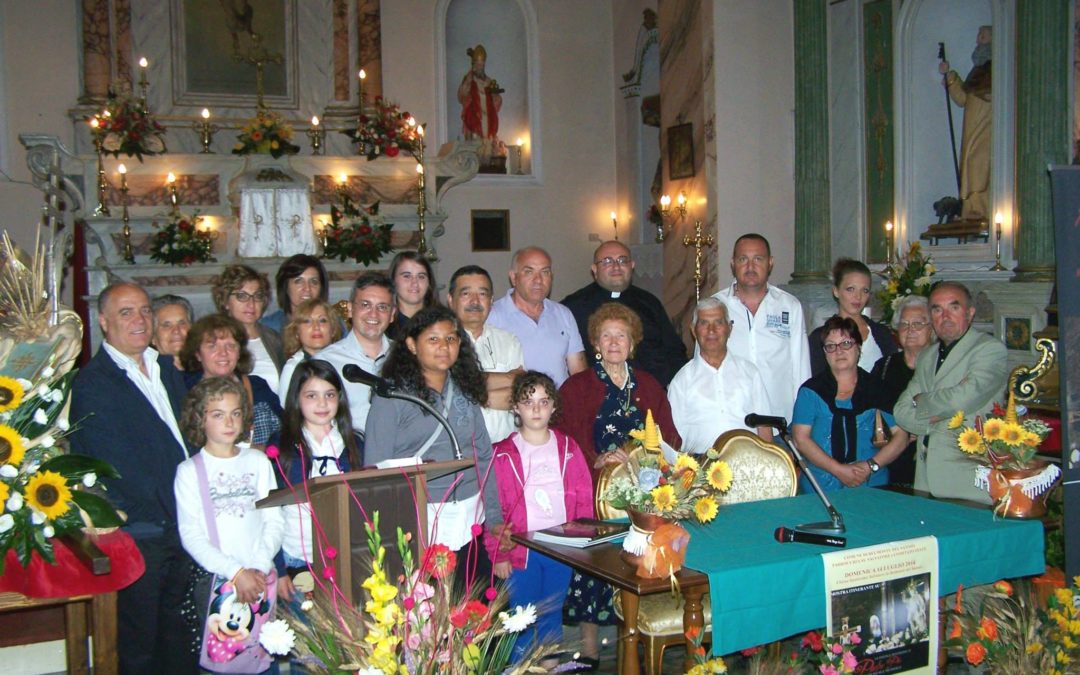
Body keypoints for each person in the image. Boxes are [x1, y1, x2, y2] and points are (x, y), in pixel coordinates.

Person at [69, 282, 194, 674]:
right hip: (142, 531)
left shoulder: (164, 368)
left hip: (182, 525)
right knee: (141, 646)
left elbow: (186, 441)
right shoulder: (93, 384)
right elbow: (116, 467)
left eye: (144, 310)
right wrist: (175, 513)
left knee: (180, 638)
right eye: (126, 312)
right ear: (103, 322)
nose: (139, 320)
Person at [556, 302, 678, 665]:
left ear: (632, 342)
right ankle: (590, 646)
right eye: (606, 335)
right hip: (595, 489)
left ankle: (639, 633)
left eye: (620, 335)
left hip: (642, 490)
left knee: (639, 562)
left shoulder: (649, 384)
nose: (613, 342)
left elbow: (668, 434)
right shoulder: (578, 386)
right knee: (597, 563)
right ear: (595, 342)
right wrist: (595, 458)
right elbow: (564, 436)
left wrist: (652, 462)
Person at [364, 306, 503, 589]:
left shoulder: (464, 389)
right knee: (428, 615)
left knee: (472, 609)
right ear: (412, 345)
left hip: (470, 517)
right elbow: (374, 469)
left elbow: (484, 455)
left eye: (451, 339)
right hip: (420, 519)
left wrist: (495, 517)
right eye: (433, 340)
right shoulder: (392, 395)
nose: (444, 347)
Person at [173, 377, 284, 670]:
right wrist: (235, 572)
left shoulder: (258, 463)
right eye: (218, 414)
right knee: (221, 660)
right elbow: (191, 535)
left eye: (236, 413)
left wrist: (258, 567)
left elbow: (274, 519)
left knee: (260, 659)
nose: (229, 421)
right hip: (218, 581)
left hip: (260, 579)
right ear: (200, 419)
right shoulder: (189, 471)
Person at [487, 371, 592, 665]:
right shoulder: (502, 454)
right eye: (528, 401)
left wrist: (583, 543)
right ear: (515, 408)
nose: (536, 409)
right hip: (521, 551)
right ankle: (518, 668)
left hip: (560, 548)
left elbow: (583, 496)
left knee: (551, 613)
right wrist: (498, 553)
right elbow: (492, 509)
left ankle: (550, 666)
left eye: (544, 401)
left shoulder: (568, 448)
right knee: (521, 616)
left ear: (554, 407)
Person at [894, 281, 1007, 502]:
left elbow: (963, 398)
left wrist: (922, 401)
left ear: (970, 312)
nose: (945, 316)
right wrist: (939, 415)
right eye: (937, 309)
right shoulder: (927, 356)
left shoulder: (989, 350)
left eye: (953, 307)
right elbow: (900, 411)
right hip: (926, 478)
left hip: (967, 476)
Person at [268, 359, 363, 584]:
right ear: (296, 399)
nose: (322, 403)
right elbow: (270, 511)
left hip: (347, 554)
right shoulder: (281, 446)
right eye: (311, 396)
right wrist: (279, 569)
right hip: (297, 556)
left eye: (329, 395)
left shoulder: (355, 443)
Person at [791, 316, 910, 493]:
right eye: (831, 346)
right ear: (824, 352)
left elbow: (902, 435)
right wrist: (838, 470)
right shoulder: (810, 391)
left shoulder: (877, 388)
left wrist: (871, 466)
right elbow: (801, 440)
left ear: (858, 348)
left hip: (871, 483)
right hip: (820, 488)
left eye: (846, 343)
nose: (839, 351)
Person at [561, 240, 687, 387]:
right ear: (594, 269)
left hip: (652, 393)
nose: (616, 266)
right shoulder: (573, 307)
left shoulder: (649, 303)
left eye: (622, 260)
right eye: (607, 261)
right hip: (600, 396)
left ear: (632, 266)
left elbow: (674, 351)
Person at [713, 233, 811, 420]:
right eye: (743, 259)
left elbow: (801, 368)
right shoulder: (715, 307)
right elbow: (703, 365)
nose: (750, 267)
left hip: (780, 419)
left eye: (758, 259)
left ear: (770, 263)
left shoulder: (789, 306)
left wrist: (803, 420)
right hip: (730, 419)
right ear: (733, 264)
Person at [668, 297, 773, 453]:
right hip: (700, 469)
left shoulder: (750, 372)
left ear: (729, 328)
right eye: (704, 323)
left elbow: (764, 427)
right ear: (693, 330)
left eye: (718, 322)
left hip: (748, 463)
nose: (711, 330)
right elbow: (672, 438)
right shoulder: (682, 380)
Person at [446, 264, 525, 443]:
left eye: (482, 294)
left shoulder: (509, 341)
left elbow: (521, 394)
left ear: (491, 301)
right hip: (458, 452)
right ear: (451, 299)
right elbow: (444, 393)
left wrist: (466, 393)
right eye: (466, 294)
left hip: (505, 450)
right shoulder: (440, 343)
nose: (475, 301)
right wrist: (509, 378)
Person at [178, 314, 283, 448]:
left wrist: (267, 449)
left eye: (230, 346)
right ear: (198, 354)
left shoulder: (257, 386)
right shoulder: (184, 390)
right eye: (212, 346)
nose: (223, 353)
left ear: (239, 352)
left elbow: (286, 430)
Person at [488, 246, 586, 387]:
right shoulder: (493, 317)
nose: (538, 280)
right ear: (513, 277)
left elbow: (578, 372)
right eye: (529, 272)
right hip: (514, 407)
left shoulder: (563, 314)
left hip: (560, 406)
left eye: (545, 272)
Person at [870, 295, 936, 487]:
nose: (910, 330)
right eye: (904, 324)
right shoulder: (884, 366)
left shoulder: (940, 366)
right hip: (888, 459)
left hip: (929, 457)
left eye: (918, 323)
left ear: (931, 328)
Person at [318, 273, 395, 431]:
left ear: (392, 314)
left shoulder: (407, 358)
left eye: (382, 307)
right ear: (350, 309)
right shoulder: (326, 362)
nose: (373, 314)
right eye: (365, 305)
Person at [808, 258, 898, 376]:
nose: (858, 297)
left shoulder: (882, 334)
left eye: (864, 290)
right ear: (836, 291)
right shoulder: (819, 338)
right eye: (851, 289)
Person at [939, 25, 992, 222]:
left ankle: (980, 211)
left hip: (986, 128)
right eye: (978, 35)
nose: (978, 39)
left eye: (983, 36)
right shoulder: (977, 72)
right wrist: (950, 78)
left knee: (980, 167)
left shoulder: (996, 70)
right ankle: (969, 210)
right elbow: (963, 99)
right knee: (969, 169)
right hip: (971, 132)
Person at [212, 264, 285, 394]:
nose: (251, 304)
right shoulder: (214, 340)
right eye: (242, 296)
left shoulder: (274, 339)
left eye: (257, 296)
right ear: (225, 301)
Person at [278, 298, 343, 404]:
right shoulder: (293, 368)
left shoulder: (343, 362)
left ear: (333, 330)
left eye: (322, 320)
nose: (316, 327)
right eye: (307, 321)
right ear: (297, 332)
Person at [260, 254, 330, 336]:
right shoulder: (268, 327)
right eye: (298, 281)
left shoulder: (334, 323)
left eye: (313, 282)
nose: (307, 288)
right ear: (285, 287)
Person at [457, 44, 504, 162]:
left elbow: (497, 102)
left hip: (487, 118)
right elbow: (462, 95)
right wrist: (468, 80)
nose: (480, 67)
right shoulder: (469, 80)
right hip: (474, 117)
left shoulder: (489, 81)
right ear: (473, 65)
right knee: (475, 143)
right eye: (477, 65)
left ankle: (487, 160)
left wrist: (495, 96)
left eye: (482, 65)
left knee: (488, 142)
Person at [387, 250, 439, 341]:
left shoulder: (442, 322)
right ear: (393, 281)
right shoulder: (384, 326)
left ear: (429, 283)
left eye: (421, 276)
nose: (415, 283)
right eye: (407, 276)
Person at [151, 293, 194, 358]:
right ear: (153, 337)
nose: (176, 331)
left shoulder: (209, 366)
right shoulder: (147, 368)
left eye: (182, 323)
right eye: (167, 325)